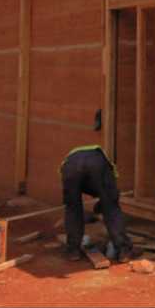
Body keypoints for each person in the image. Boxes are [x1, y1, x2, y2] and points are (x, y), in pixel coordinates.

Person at [59, 110, 133, 262]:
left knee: (72, 208)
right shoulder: (109, 170)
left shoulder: (67, 164)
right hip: (96, 163)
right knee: (112, 208)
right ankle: (123, 250)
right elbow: (111, 199)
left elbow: (73, 200)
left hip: (70, 166)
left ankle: (73, 250)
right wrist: (105, 205)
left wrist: (100, 205)